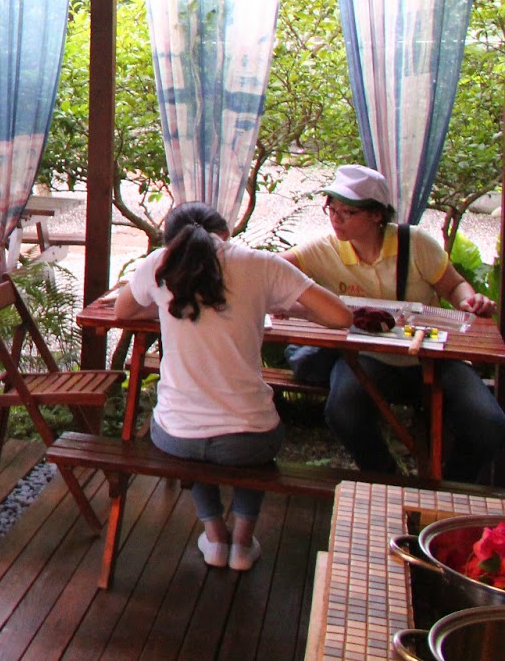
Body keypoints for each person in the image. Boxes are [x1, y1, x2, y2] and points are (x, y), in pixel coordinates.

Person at [115, 202, 350, 571]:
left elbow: (122, 311)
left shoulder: (161, 264)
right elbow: (340, 316)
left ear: (172, 240)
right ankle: (241, 543)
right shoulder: (260, 263)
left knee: (194, 432)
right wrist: (281, 306)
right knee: (252, 430)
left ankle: (214, 536)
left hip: (177, 436)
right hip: (249, 441)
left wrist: (167, 306)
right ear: (225, 233)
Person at [283, 164, 504, 483]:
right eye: (332, 209)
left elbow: (455, 286)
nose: (336, 218)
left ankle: (449, 486)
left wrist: (470, 301)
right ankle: (386, 479)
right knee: (342, 411)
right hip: (369, 360)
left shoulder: (415, 243)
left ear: (377, 215)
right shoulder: (323, 249)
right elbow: (272, 272)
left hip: (434, 358)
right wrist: (294, 306)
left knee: (489, 424)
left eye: (348, 212)